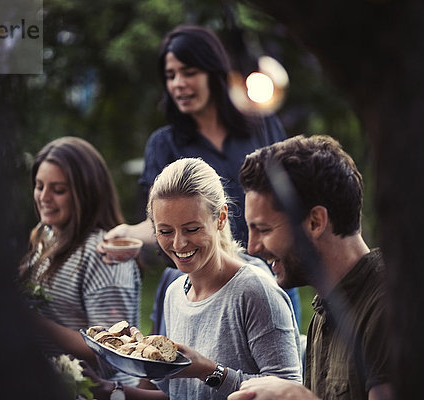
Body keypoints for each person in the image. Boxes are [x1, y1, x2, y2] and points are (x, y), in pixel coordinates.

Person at [103, 24, 301, 332]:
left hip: (269, 275)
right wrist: (129, 233)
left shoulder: (261, 125)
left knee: (274, 376)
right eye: (170, 76)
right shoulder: (164, 143)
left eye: (189, 72)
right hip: (200, 286)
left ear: (214, 72)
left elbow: (289, 201)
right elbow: (158, 222)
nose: (179, 84)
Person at [91, 158, 302, 400]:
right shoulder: (174, 293)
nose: (179, 243)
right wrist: (110, 391)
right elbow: (181, 395)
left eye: (192, 229)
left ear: (220, 218)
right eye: (165, 231)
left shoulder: (254, 291)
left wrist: (208, 371)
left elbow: (288, 390)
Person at [229, 135, 393, 400]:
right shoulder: (324, 312)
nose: (252, 248)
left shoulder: (388, 306)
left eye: (264, 229)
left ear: (315, 222)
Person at [18, 136, 141, 387]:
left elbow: (111, 356)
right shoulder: (46, 234)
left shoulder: (105, 257)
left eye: (58, 189)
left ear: (86, 193)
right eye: (39, 186)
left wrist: (32, 320)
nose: (44, 197)